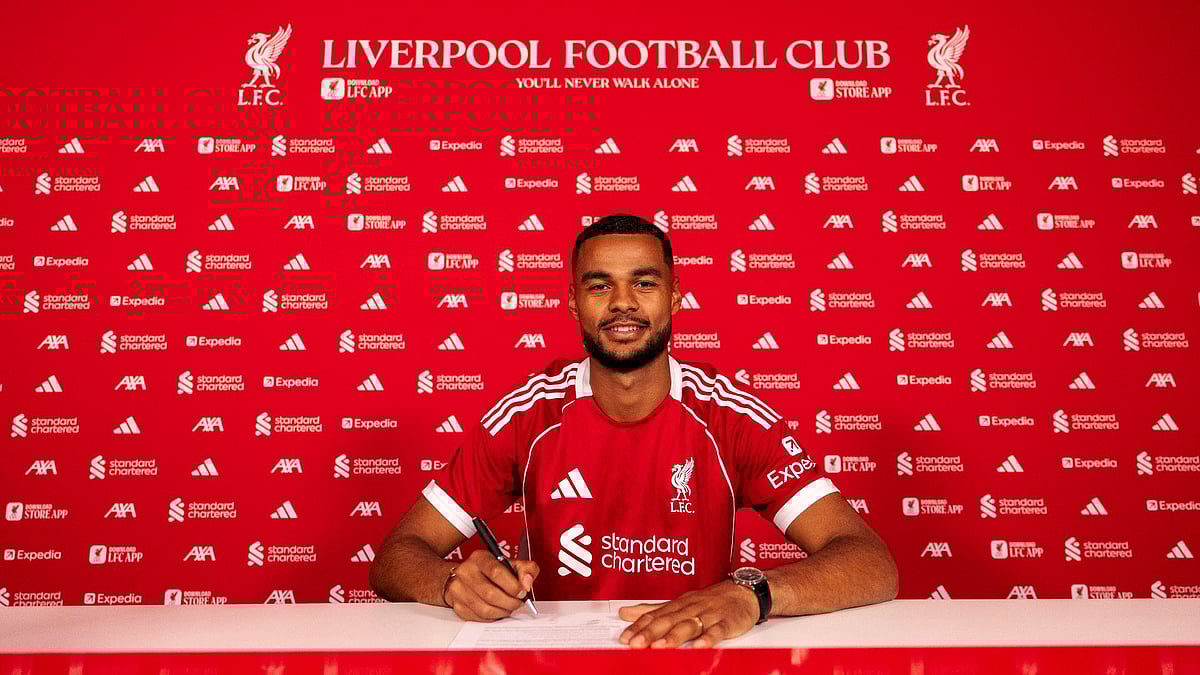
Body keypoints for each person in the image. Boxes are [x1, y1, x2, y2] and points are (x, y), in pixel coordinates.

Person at [370, 213, 898, 649]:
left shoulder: (730, 416)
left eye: (645, 283)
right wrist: (451, 583)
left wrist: (751, 595)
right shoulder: (528, 413)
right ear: (574, 302)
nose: (623, 302)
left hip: (697, 655)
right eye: (600, 286)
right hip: (558, 660)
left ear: (675, 298)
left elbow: (869, 561)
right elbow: (397, 556)